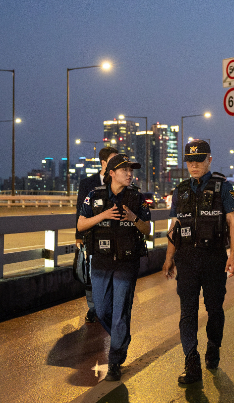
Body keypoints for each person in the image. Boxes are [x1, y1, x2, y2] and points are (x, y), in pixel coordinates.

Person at [162, 139, 234, 385]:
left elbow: (232, 223)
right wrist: (169, 257)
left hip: (214, 257)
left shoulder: (222, 188)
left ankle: (213, 346)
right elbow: (175, 226)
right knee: (188, 311)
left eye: (199, 160)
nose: (194, 165)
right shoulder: (181, 190)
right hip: (186, 259)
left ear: (209, 160)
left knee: (215, 309)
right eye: (190, 161)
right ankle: (191, 361)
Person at [77, 153, 151, 381]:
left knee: (120, 313)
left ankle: (115, 359)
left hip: (127, 264)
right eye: (124, 170)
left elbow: (147, 229)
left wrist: (132, 218)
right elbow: (81, 224)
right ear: (111, 173)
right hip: (100, 262)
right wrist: (104, 215)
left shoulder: (137, 198)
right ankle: (122, 339)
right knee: (101, 311)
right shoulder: (94, 196)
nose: (129, 174)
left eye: (131, 170)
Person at [75, 146, 118, 323]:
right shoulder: (87, 183)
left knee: (113, 273)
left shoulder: (118, 180)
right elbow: (80, 210)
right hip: (92, 235)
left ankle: (110, 306)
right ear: (103, 163)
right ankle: (93, 307)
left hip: (114, 236)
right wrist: (79, 235)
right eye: (113, 160)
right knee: (90, 273)